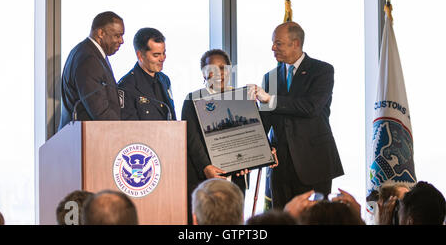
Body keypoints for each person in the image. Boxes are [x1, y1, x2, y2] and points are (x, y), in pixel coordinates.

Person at [250, 21, 344, 209]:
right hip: (280, 168)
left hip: (313, 163)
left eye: (278, 43)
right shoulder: (270, 77)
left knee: (314, 220)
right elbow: (265, 120)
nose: (272, 48)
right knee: (282, 219)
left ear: (296, 44)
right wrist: (261, 146)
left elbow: (311, 107)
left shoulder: (323, 71)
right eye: (273, 43)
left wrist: (270, 99)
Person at [181, 49, 275, 224]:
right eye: (212, 68)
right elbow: (192, 140)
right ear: (203, 72)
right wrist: (206, 167)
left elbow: (252, 132)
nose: (218, 74)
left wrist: (258, 156)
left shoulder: (242, 97)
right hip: (204, 176)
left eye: (223, 68)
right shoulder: (192, 99)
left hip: (237, 175)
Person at [59, 11, 125, 130]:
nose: (121, 41)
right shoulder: (88, 59)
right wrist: (121, 131)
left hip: (85, 137)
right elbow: (100, 111)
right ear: (100, 33)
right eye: (117, 35)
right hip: (85, 139)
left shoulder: (85, 51)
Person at [118, 27, 176, 120]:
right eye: (156, 55)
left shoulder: (165, 80)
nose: (162, 58)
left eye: (163, 53)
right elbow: (128, 128)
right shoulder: (127, 86)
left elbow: (171, 116)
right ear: (140, 55)